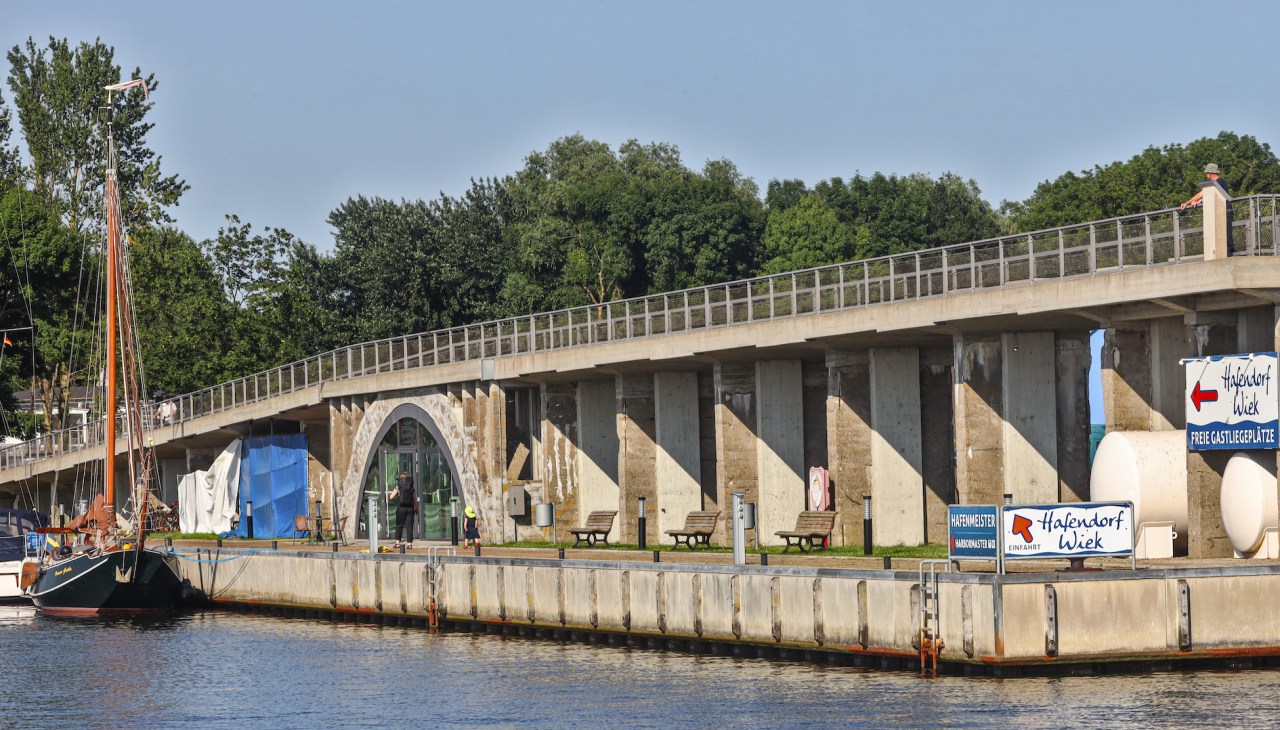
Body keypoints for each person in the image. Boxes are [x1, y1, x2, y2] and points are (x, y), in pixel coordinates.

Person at [387, 471, 417, 550]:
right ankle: (409, 544)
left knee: (399, 525)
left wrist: (398, 494)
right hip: (410, 508)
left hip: (401, 508)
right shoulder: (411, 487)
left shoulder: (398, 486)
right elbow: (415, 499)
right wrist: (416, 508)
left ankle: (397, 543)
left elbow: (391, 497)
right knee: (409, 526)